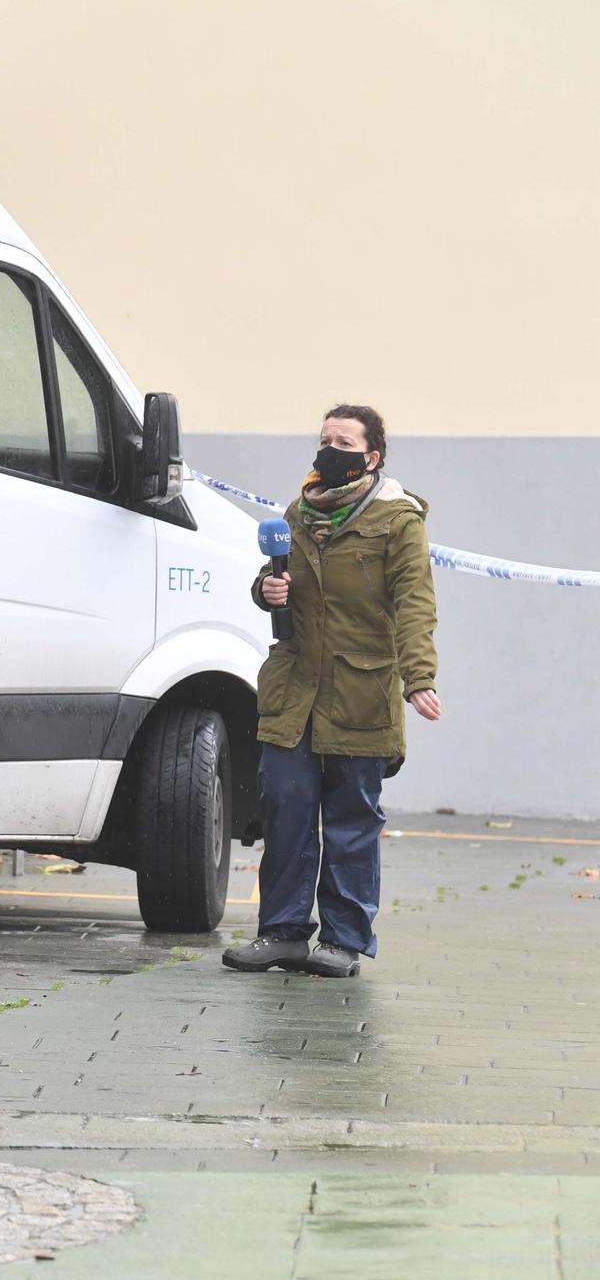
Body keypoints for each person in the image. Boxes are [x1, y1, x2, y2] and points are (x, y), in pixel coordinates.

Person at [224, 404, 439, 979]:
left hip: (360, 690)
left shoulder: (399, 520)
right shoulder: (300, 511)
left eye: (342, 441)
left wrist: (419, 678)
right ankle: (283, 934)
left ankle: (345, 940)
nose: (328, 450)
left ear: (370, 456)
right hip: (295, 691)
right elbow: (273, 581)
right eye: (324, 439)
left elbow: (416, 605)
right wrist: (266, 589)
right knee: (285, 811)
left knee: (350, 821)